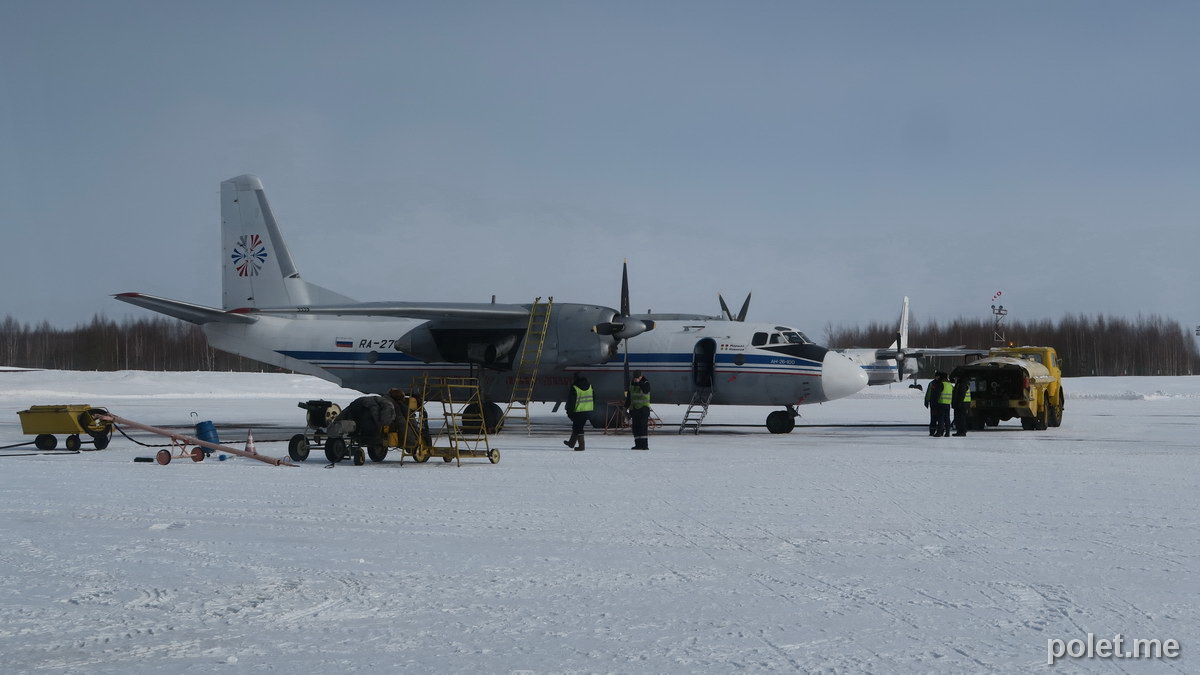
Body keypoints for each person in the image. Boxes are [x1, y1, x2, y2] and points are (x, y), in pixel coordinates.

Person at [564, 372, 594, 451]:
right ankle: (571, 443)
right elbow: (594, 398)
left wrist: (569, 411)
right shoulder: (590, 387)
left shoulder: (575, 388)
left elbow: (571, 402)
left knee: (579, 428)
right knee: (576, 427)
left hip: (578, 411)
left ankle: (581, 446)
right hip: (588, 411)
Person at [625, 371, 652, 450]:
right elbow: (629, 397)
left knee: (642, 427)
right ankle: (638, 444)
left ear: (641, 376)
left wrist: (639, 383)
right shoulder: (632, 384)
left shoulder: (646, 383)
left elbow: (646, 390)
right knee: (635, 427)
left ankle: (644, 445)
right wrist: (625, 407)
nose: (636, 379)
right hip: (634, 409)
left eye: (638, 377)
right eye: (635, 377)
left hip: (643, 408)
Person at [923, 371, 952, 437]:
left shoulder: (940, 384)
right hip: (945, 403)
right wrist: (927, 401)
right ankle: (942, 432)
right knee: (943, 418)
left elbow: (936, 394)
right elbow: (929, 393)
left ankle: (940, 432)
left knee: (940, 418)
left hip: (940, 403)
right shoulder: (948, 384)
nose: (937, 378)